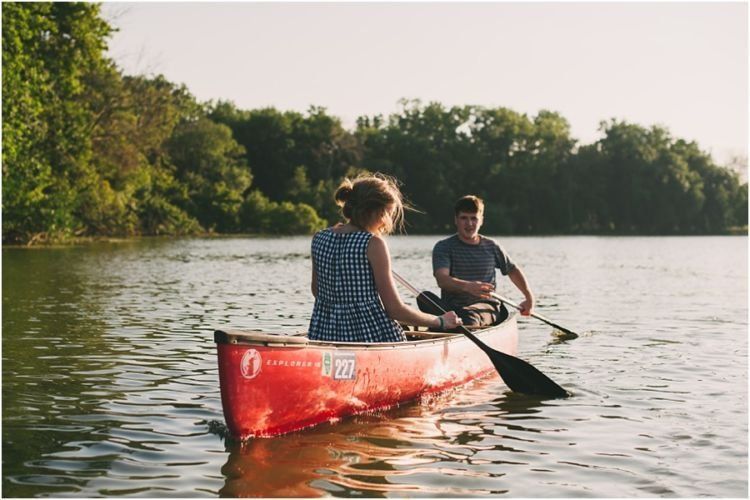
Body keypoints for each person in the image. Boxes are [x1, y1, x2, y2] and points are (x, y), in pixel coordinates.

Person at [308, 174, 462, 342]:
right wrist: (440, 321)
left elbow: (317, 291)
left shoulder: (320, 237)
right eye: (389, 213)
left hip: (324, 334)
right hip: (367, 337)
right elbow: (395, 310)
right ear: (377, 212)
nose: (387, 222)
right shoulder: (373, 244)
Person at [427, 195, 534, 327]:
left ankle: (455, 326)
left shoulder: (492, 246)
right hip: (451, 307)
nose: (469, 224)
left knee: (469, 316)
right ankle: (450, 324)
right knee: (424, 298)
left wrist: (529, 298)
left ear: (481, 220)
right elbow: (442, 280)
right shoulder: (444, 247)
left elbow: (513, 270)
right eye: (464, 218)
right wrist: (467, 286)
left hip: (485, 307)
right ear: (456, 220)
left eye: (474, 218)